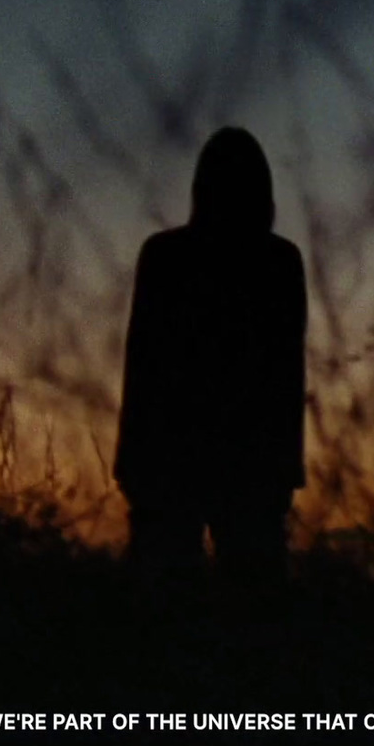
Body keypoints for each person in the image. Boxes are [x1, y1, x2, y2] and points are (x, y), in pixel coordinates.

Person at [114, 126, 307, 596]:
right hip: (241, 457)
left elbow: (142, 364)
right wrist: (284, 468)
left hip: (176, 453)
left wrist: (133, 460)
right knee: (251, 603)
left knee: (168, 599)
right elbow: (286, 374)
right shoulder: (277, 262)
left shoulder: (166, 256)